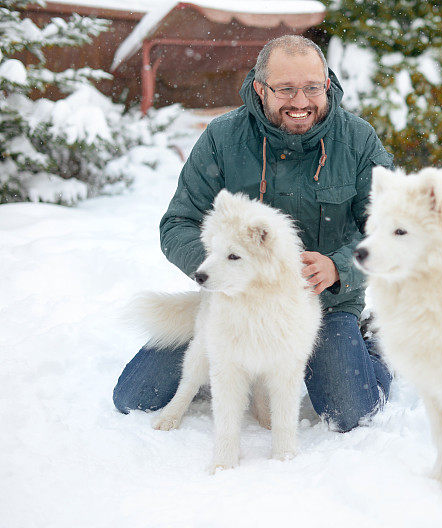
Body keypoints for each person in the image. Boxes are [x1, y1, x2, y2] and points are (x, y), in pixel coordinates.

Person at [113, 35, 393, 432]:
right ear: (261, 89)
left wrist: (338, 266)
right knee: (135, 396)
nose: (301, 101)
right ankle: (235, 372)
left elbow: (391, 230)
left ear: (327, 84)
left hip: (324, 302)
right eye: (286, 89)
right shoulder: (223, 138)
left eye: (312, 87)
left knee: (352, 412)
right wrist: (225, 271)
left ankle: (371, 345)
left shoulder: (358, 141)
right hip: (236, 302)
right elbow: (178, 223)